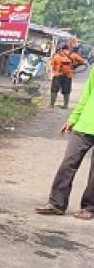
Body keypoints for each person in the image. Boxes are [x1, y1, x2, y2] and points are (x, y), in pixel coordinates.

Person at [36, 67, 94, 219]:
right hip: (85, 124)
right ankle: (56, 204)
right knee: (68, 163)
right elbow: (87, 94)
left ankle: (89, 207)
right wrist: (73, 118)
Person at [50, 43, 86, 108]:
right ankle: (65, 105)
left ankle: (51, 104)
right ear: (67, 49)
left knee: (54, 90)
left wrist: (57, 71)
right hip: (68, 75)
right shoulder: (73, 55)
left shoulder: (56, 56)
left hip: (57, 75)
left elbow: (53, 65)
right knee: (66, 90)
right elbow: (83, 62)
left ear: (60, 49)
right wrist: (75, 66)